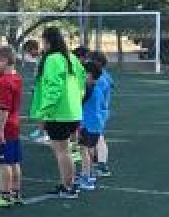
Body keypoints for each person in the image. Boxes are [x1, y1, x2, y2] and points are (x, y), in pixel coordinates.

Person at [30, 26, 85, 198]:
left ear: (47, 41)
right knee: (66, 150)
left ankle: (68, 186)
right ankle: (68, 184)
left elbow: (54, 87)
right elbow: (82, 79)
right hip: (72, 111)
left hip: (58, 112)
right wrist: (77, 99)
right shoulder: (71, 57)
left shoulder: (53, 59)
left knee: (62, 151)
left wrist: (44, 110)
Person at [0, 45, 24, 208]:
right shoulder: (15, 78)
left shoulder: (4, 81)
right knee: (14, 161)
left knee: (4, 162)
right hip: (14, 125)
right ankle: (15, 192)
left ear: (4, 61)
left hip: (5, 127)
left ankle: (5, 195)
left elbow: (3, 110)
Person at [77, 51, 113, 190]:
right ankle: (89, 173)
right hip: (96, 123)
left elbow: (81, 103)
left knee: (84, 151)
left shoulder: (90, 89)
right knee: (90, 149)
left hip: (88, 123)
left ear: (90, 75)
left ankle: (86, 177)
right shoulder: (98, 87)